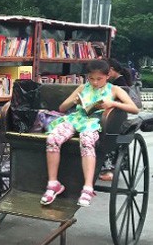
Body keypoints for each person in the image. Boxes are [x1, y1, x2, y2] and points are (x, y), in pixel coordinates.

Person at [41, 60, 139, 207]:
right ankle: (53, 183)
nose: (95, 82)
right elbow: (62, 107)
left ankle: (87, 187)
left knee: (87, 140)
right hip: (76, 119)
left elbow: (134, 108)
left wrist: (112, 103)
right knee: (53, 139)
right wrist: (74, 101)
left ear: (107, 76)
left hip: (95, 122)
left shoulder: (114, 90)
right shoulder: (82, 88)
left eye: (99, 79)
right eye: (91, 79)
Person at [98, 58, 134, 181]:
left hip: (114, 116)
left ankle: (108, 168)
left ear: (112, 70)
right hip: (113, 115)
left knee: (106, 134)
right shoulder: (120, 81)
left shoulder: (119, 84)